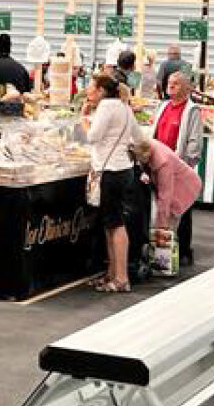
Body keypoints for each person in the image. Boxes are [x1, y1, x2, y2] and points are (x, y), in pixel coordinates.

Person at [85, 74, 141, 293]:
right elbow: (138, 135)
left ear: (100, 90)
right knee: (111, 223)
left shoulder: (106, 107)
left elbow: (93, 137)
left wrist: (84, 120)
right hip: (124, 168)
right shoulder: (124, 107)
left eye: (90, 86)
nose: (87, 91)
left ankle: (121, 278)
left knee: (115, 224)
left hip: (110, 171)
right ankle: (112, 274)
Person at [153, 72, 205, 266]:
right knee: (161, 207)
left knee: (183, 208)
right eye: (169, 83)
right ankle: (161, 249)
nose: (170, 86)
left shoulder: (192, 111)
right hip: (159, 165)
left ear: (186, 88)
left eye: (175, 84)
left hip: (179, 167)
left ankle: (184, 249)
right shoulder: (163, 106)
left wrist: (185, 164)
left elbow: (194, 143)